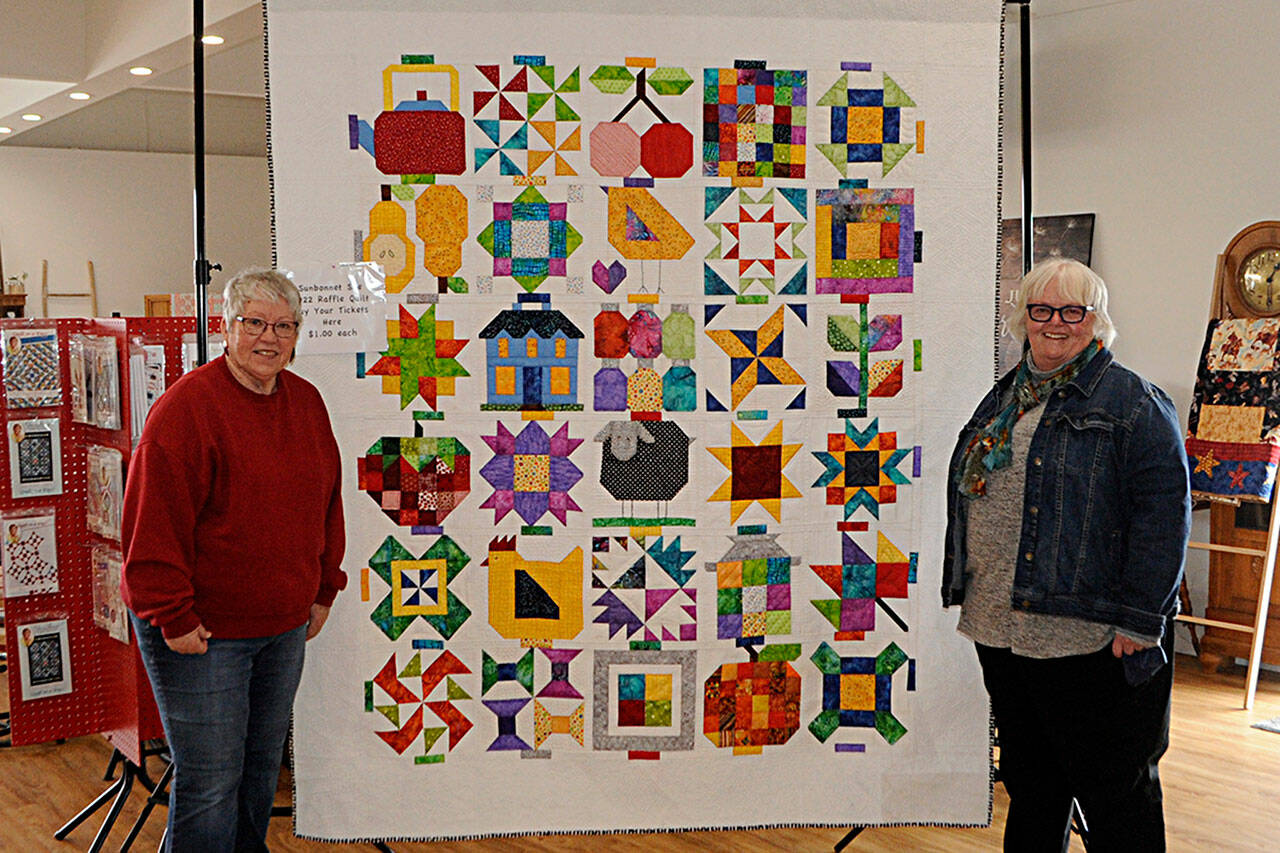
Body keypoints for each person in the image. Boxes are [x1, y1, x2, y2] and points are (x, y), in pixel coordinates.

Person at [942, 257, 1190, 852]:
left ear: (1096, 321)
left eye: (1072, 311)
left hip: (1088, 636)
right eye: (1041, 309)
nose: (1056, 323)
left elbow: (1163, 516)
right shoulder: (1007, 396)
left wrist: (1139, 619)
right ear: (1022, 317)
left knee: (1115, 794)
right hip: (1001, 627)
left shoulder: (1133, 401)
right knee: (1032, 784)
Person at [122, 268, 346, 852]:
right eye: (253, 323)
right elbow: (150, 532)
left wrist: (325, 588)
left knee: (256, 777)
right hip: (202, 634)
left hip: (282, 629)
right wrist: (173, 616)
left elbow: (326, 503)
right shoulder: (185, 411)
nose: (268, 338)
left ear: (297, 334)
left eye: (283, 325)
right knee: (211, 785)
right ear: (226, 326)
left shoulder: (308, 404)